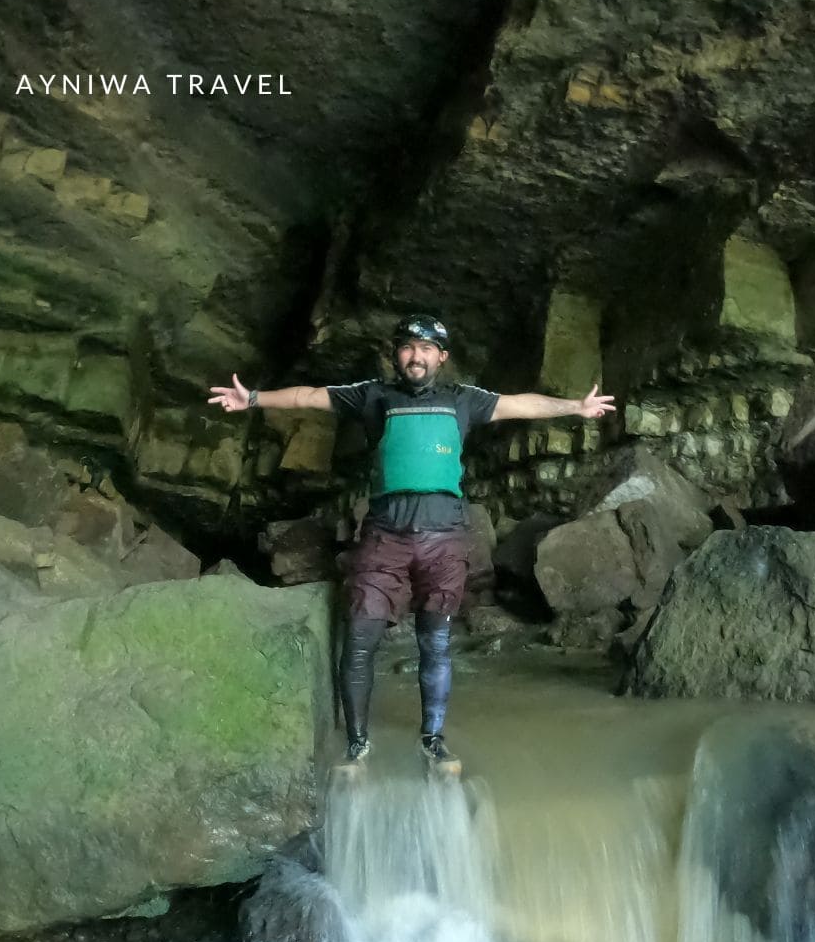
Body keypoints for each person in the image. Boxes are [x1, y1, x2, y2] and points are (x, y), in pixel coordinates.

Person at [208, 313, 616, 766]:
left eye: (425, 349)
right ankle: (357, 744)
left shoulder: (463, 399)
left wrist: (574, 407)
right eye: (407, 347)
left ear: (442, 357)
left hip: (445, 539)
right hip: (385, 536)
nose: (415, 356)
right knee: (360, 639)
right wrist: (254, 398)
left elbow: (521, 404)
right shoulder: (373, 395)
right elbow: (309, 396)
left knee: (435, 643)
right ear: (396, 355)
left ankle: (432, 739)